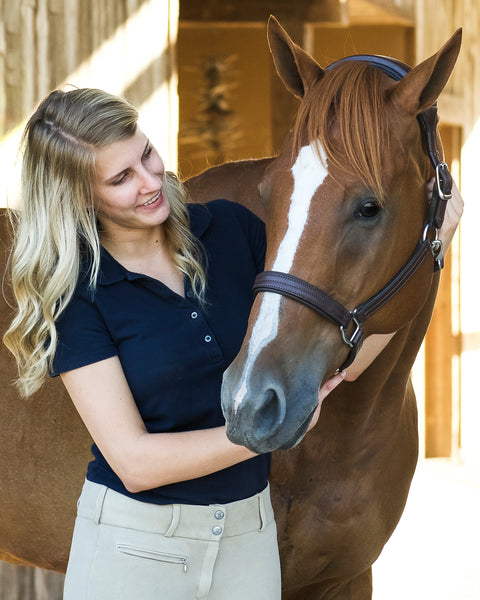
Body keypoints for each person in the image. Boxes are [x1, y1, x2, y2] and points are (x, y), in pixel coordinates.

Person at [3, 87, 462, 600]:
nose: (151, 181)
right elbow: (133, 462)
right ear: (79, 195)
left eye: (147, 154)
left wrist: (433, 246)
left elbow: (342, 361)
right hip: (133, 549)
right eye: (121, 178)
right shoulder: (78, 292)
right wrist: (258, 433)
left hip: (248, 542)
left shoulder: (228, 230)